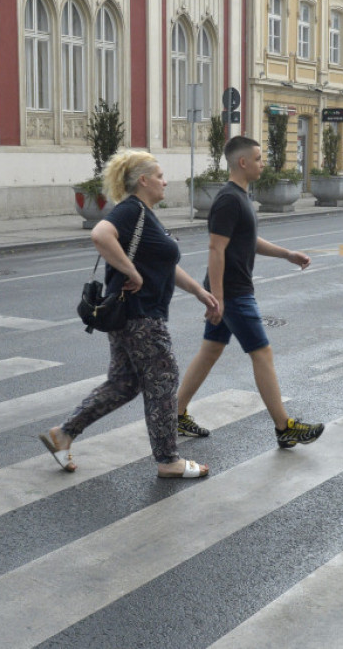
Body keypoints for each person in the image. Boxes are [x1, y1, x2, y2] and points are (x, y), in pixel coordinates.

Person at [39, 151, 219, 479]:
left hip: (131, 318)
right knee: (164, 380)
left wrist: (198, 291)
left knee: (123, 383)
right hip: (142, 317)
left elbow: (164, 264)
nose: (166, 181)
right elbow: (99, 235)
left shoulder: (145, 215)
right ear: (143, 180)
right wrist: (131, 271)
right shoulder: (130, 210)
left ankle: (64, 433)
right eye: (160, 175)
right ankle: (169, 460)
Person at [175, 136, 325, 448]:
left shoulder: (241, 197)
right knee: (262, 352)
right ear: (242, 162)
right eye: (258, 158)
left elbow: (246, 240)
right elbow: (216, 249)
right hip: (232, 292)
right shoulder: (229, 199)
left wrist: (287, 254)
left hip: (230, 290)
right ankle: (284, 426)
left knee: (210, 350)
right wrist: (217, 298)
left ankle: (173, 415)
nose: (262, 163)